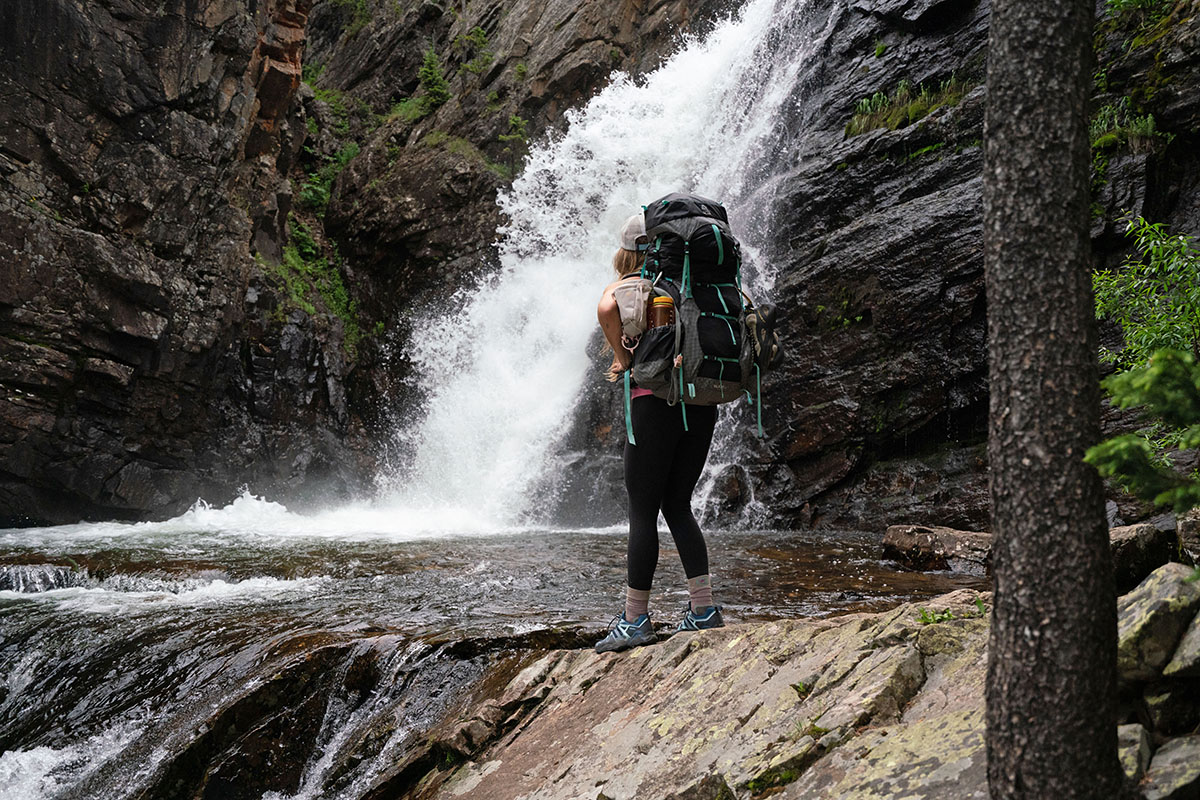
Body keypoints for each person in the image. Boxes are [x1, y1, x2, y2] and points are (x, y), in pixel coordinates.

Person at [593, 212, 725, 653]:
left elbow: (606, 308)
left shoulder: (636, 285)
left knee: (643, 510)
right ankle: (703, 610)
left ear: (630, 250)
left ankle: (634, 620)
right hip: (702, 403)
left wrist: (622, 357)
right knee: (678, 503)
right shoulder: (702, 287)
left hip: (654, 404)